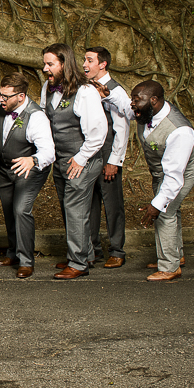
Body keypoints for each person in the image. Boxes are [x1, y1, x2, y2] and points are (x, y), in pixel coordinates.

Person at [98, 80, 194, 281]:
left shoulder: (179, 131)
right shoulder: (146, 111)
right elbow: (126, 107)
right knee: (169, 210)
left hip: (182, 171)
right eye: (133, 99)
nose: (133, 104)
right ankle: (175, 255)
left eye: (137, 100)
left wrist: (157, 204)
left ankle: (170, 267)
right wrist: (109, 94)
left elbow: (173, 177)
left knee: (165, 211)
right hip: (162, 171)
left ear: (154, 100)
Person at [40, 43, 107, 280]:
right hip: (60, 160)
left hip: (83, 159)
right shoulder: (47, 88)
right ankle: (84, 253)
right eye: (45, 63)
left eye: (50, 64)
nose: (45, 68)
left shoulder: (85, 92)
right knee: (68, 208)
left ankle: (78, 263)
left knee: (75, 208)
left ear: (64, 64)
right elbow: (43, 119)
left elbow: (98, 133)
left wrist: (79, 159)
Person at [0, 72, 55, 278]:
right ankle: (13, 253)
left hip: (29, 170)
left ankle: (26, 260)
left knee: (21, 210)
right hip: (5, 169)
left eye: (6, 96)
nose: (1, 99)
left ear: (20, 96)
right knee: (9, 210)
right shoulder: (2, 105)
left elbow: (48, 152)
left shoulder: (36, 116)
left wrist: (33, 160)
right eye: (0, 95)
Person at [83, 47, 130, 269]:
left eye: (89, 60)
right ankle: (92, 250)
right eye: (84, 60)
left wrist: (114, 161)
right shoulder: (85, 88)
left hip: (108, 154)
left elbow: (122, 127)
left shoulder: (115, 91)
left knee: (113, 205)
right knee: (90, 204)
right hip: (89, 154)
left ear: (102, 64)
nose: (85, 64)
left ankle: (117, 251)